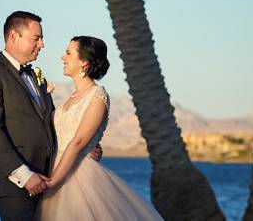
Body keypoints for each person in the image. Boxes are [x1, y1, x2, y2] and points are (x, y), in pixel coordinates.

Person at [0, 11, 101, 220]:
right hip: (15, 184)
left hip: (48, 179)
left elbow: (50, 123)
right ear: (14, 37)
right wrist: (25, 176)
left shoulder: (35, 75)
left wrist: (86, 146)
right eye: (36, 38)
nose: (42, 45)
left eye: (41, 39)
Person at [37, 36, 163, 220]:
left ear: (84, 63)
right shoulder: (71, 97)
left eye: (68, 53)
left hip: (77, 177)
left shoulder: (97, 96)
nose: (62, 57)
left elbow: (79, 141)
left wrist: (53, 181)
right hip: (56, 167)